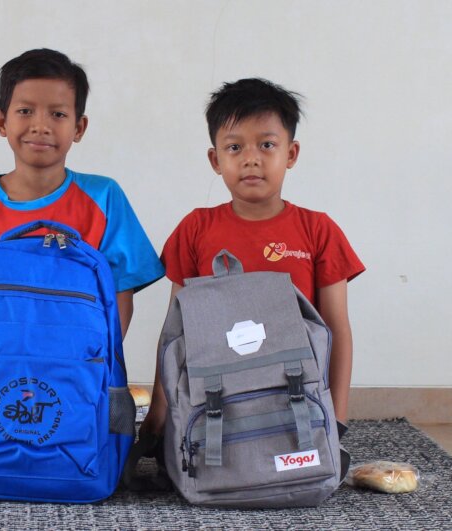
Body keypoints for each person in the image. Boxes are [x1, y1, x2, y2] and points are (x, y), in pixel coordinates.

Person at [139, 78, 365, 456]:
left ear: (290, 154)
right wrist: (159, 416)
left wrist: (336, 420)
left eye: (267, 145)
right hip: (214, 397)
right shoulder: (195, 228)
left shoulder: (318, 229)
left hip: (294, 394)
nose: (251, 158)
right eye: (234, 147)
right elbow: (174, 333)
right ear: (216, 159)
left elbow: (336, 330)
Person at [0, 48, 164, 335]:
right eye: (25, 111)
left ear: (79, 127)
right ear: (1, 121)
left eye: (58, 114)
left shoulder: (105, 198)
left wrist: (102, 366)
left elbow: (122, 290)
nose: (41, 126)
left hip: (78, 369)